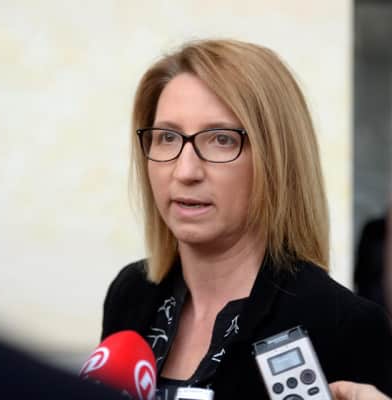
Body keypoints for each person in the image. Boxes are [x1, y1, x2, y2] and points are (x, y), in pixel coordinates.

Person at [101, 39, 392, 400]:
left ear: (276, 160)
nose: (185, 170)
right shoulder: (131, 293)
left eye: (221, 139)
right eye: (167, 137)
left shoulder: (342, 323)